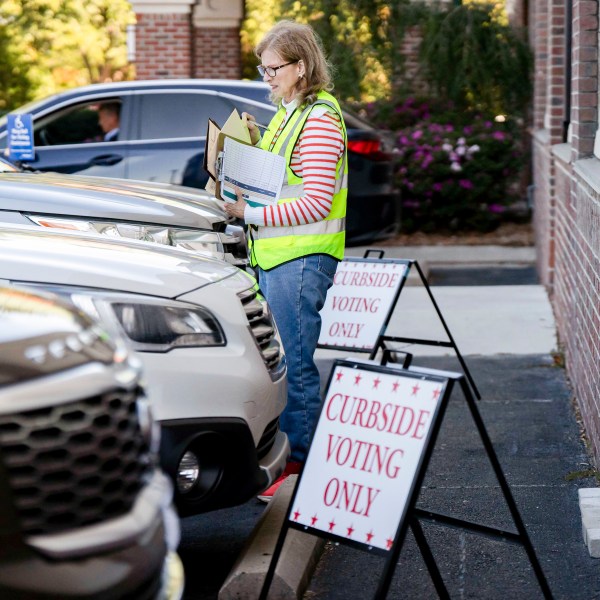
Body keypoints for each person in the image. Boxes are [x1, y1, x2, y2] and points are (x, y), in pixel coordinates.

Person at [223, 20, 348, 501]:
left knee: (294, 366)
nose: (267, 77)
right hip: (278, 256)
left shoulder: (318, 118)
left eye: (274, 68)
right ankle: (291, 467)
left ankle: (300, 473)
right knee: (282, 363)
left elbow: (314, 202)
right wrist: (249, 148)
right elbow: (279, 180)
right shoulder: (289, 113)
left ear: (301, 66)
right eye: (263, 68)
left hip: (300, 259)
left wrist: (246, 212)